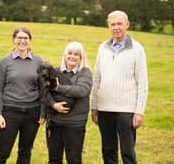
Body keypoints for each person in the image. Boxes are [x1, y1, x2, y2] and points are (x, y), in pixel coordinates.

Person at [91, 10, 148, 164]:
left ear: (127, 25)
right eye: (112, 24)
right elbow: (97, 79)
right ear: (109, 26)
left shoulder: (137, 49)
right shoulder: (103, 48)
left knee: (127, 152)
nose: (116, 27)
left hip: (127, 110)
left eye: (119, 24)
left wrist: (139, 111)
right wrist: (94, 106)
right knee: (108, 151)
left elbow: (142, 82)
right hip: (104, 109)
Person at [0, 26, 44, 164]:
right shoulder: (5, 62)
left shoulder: (39, 61)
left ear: (30, 40)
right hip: (10, 113)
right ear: (14, 40)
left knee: (25, 153)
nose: (22, 41)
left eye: (25, 38)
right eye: (19, 38)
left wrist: (43, 113)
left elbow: (43, 89)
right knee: (3, 152)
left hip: (32, 114)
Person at [45, 41, 92, 164]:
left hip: (74, 124)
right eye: (69, 53)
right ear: (64, 55)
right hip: (54, 122)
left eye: (76, 54)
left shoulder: (85, 73)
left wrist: (58, 88)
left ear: (81, 58)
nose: (72, 56)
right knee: (54, 159)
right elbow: (45, 91)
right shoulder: (55, 71)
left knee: (74, 160)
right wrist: (53, 105)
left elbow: (81, 90)